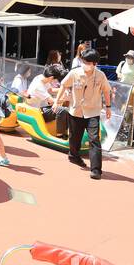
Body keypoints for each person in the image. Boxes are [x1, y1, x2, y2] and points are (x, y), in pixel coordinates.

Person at [58, 48, 113, 179]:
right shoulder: (74, 73)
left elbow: (106, 91)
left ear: (95, 64)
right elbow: (63, 85)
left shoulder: (100, 76)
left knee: (94, 139)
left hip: (93, 111)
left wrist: (108, 107)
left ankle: (96, 170)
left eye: (88, 62)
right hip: (76, 110)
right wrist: (56, 101)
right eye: (84, 61)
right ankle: (74, 155)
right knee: (74, 138)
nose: (85, 64)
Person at [25, 63, 69, 138]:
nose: (55, 81)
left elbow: (50, 90)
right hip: (37, 112)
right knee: (62, 110)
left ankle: (66, 132)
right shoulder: (38, 86)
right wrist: (66, 98)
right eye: (55, 79)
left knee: (66, 110)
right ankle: (60, 135)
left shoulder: (41, 78)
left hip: (40, 109)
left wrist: (63, 89)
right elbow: (52, 101)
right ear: (51, 77)